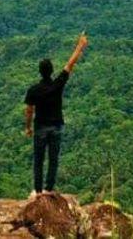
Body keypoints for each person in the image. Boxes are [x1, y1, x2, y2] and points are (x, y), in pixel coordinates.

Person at [23, 32, 89, 196]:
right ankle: (49, 188)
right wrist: (80, 46)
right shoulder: (57, 84)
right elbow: (70, 64)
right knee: (53, 159)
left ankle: (38, 191)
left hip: (40, 128)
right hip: (56, 127)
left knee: (38, 161)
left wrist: (28, 127)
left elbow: (29, 110)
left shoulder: (34, 90)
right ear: (51, 71)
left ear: (40, 72)